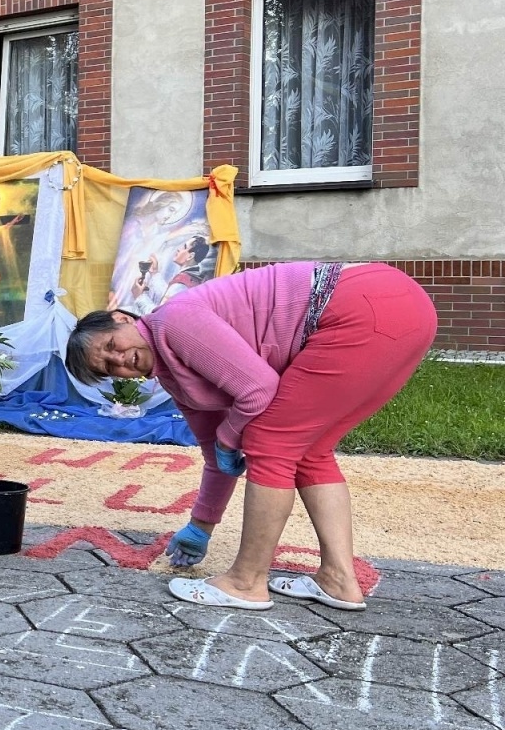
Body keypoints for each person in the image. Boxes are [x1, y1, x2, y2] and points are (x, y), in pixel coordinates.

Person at [66, 262, 436, 611]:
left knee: (269, 440)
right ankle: (339, 580)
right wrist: (200, 527)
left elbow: (258, 391)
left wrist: (231, 435)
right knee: (310, 451)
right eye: (110, 368)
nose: (121, 360)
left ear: (122, 319)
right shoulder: (178, 381)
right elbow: (216, 457)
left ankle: (245, 582)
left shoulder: (172, 321)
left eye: (112, 346)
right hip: (401, 308)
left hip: (363, 304)